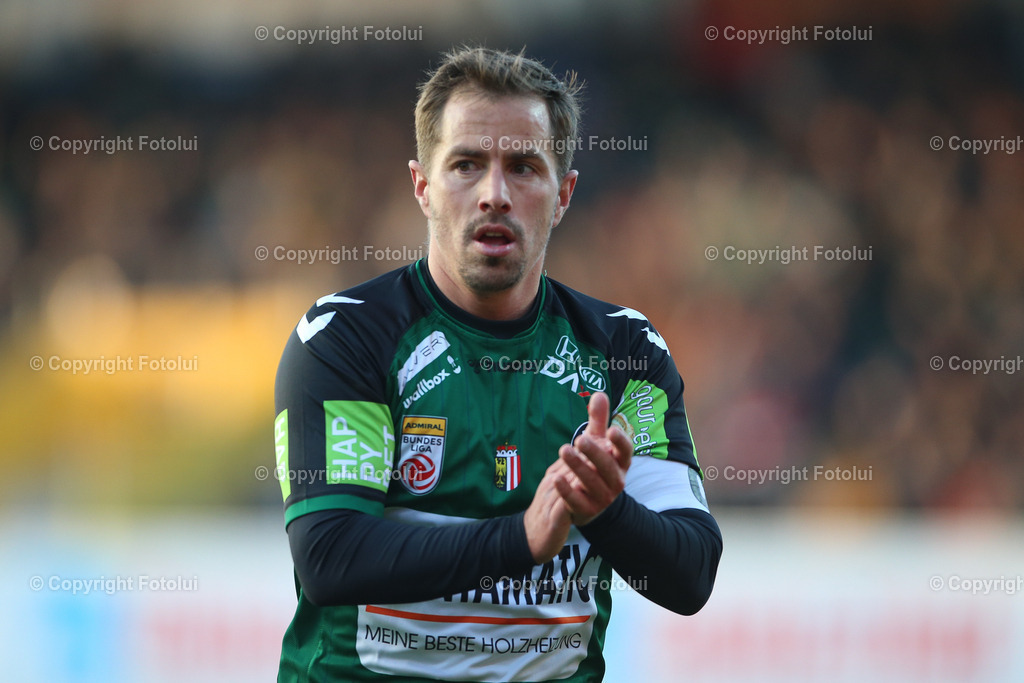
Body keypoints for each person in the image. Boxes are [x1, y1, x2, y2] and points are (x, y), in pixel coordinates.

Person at [273, 45, 722, 683]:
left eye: (523, 167)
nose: (494, 194)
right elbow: (331, 557)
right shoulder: (348, 337)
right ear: (422, 187)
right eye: (466, 165)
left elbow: (691, 576)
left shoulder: (625, 352)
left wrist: (604, 509)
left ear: (563, 194)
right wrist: (521, 538)